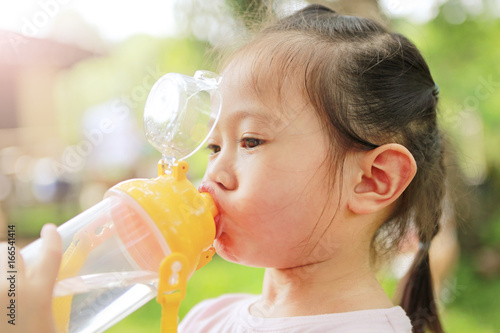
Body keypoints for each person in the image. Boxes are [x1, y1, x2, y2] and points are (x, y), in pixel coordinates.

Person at [1, 4, 448, 333]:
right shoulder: (209, 316)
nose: (213, 174)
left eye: (250, 141)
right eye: (214, 146)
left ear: (373, 179)